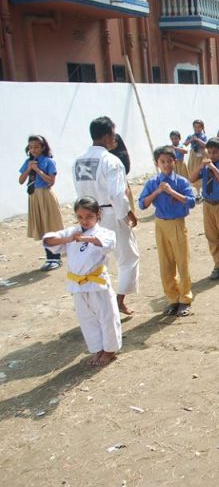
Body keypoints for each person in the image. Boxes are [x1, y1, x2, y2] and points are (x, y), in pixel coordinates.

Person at [43, 197, 121, 366]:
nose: (84, 221)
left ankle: (110, 349)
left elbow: (106, 244)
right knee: (87, 319)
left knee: (107, 316)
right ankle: (98, 348)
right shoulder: (72, 232)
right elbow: (48, 240)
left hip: (97, 282)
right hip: (77, 284)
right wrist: (68, 239)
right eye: (80, 217)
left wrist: (84, 239)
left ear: (98, 214)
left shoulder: (105, 233)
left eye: (89, 216)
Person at [74, 116, 139, 315]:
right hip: (110, 212)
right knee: (128, 257)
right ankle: (118, 299)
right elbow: (117, 193)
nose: (114, 139)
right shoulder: (111, 161)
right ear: (107, 136)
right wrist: (127, 213)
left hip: (90, 214)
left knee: (97, 259)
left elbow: (80, 190)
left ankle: (100, 301)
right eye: (112, 135)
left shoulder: (79, 160)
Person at [138, 146, 195, 317]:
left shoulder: (181, 182)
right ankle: (173, 298)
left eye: (169, 161)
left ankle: (185, 299)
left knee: (182, 262)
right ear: (157, 163)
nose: (166, 165)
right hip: (161, 224)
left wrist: (172, 192)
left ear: (174, 161)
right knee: (165, 264)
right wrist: (158, 191)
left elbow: (191, 202)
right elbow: (142, 204)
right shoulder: (153, 183)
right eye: (162, 161)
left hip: (177, 223)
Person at [189, 137, 219, 281]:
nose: (212, 156)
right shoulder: (205, 167)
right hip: (208, 205)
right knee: (212, 237)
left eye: (215, 153)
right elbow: (191, 179)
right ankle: (217, 264)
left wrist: (214, 168)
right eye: (209, 152)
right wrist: (201, 167)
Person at [19, 135, 65, 271]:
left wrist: (38, 170)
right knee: (42, 226)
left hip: (45, 194)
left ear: (43, 147)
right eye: (31, 147)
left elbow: (51, 181)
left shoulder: (48, 162)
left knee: (50, 225)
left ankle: (55, 257)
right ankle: (48, 257)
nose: (33, 149)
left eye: (36, 147)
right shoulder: (28, 162)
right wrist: (29, 169)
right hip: (34, 195)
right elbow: (21, 180)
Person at [185, 119, 209, 200]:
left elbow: (206, 145)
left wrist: (198, 140)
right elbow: (185, 143)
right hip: (193, 156)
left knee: (202, 173)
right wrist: (192, 139)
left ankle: (203, 192)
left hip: (202, 155)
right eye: (195, 127)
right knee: (194, 172)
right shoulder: (191, 136)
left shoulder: (203, 136)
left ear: (202, 128)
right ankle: (198, 193)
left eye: (199, 127)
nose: (197, 128)